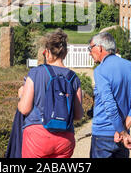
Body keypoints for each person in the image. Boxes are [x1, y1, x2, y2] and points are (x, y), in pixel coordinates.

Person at [17, 28, 84, 158]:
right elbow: (78, 115)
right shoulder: (73, 78)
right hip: (65, 139)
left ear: (47, 52)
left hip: (37, 137)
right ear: (65, 53)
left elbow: (24, 109)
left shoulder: (36, 73)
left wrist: (21, 95)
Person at [88, 32, 131, 158]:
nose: (89, 52)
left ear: (100, 47)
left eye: (90, 48)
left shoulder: (100, 70)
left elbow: (110, 105)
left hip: (103, 135)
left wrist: (122, 132)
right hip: (121, 135)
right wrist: (124, 129)